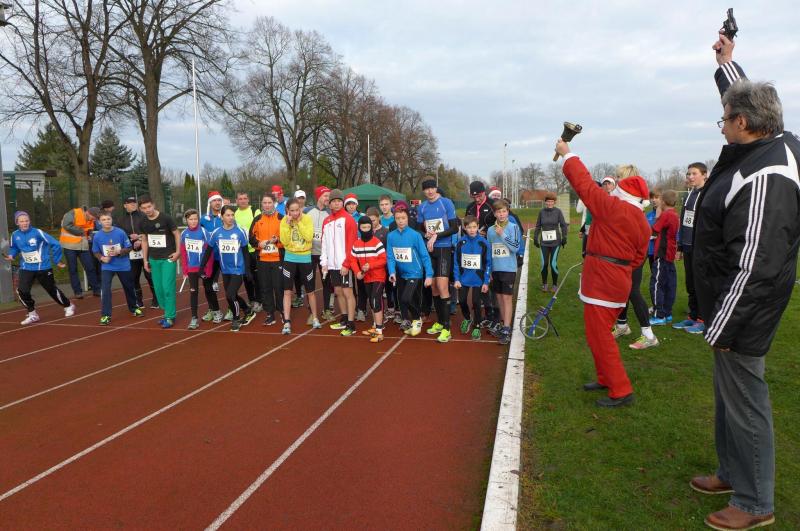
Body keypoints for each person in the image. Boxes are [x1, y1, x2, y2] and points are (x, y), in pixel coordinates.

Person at [688, 33, 799, 531]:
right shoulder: (769, 138)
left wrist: (723, 325)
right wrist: (727, 64)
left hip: (745, 307)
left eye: (725, 119)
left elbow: (756, 265)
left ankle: (755, 503)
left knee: (746, 401)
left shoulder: (767, 175)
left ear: (744, 124)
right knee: (729, 396)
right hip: (733, 301)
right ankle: (731, 473)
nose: (723, 124)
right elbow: (748, 103)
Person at [554, 139, 650, 408]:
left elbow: (584, 184)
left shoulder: (612, 208)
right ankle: (605, 378)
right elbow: (639, 258)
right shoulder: (642, 221)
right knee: (597, 333)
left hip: (603, 280)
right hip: (616, 279)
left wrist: (567, 154)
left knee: (601, 336)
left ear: (622, 192)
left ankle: (621, 389)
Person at [5, 211, 75, 325]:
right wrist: (11, 254)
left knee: (51, 289)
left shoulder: (37, 232)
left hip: (43, 267)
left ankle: (68, 305)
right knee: (22, 290)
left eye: (26, 221)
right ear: (17, 223)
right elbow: (15, 247)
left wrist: (57, 260)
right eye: (22, 221)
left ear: (29, 221)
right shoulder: (15, 235)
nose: (25, 223)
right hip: (26, 267)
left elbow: (55, 244)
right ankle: (32, 314)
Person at [200, 205, 256, 332]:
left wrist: (247, 270)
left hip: (238, 269)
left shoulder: (240, 232)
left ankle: (236, 319)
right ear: (222, 217)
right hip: (225, 270)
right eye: (228, 215)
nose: (231, 218)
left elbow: (245, 252)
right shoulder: (216, 233)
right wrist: (201, 267)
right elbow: (208, 251)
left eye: (232, 215)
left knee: (230, 295)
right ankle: (248, 310)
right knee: (232, 295)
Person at [416, 178, 459, 343]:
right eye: (426, 189)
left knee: (442, 286)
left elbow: (454, 227)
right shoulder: (422, 207)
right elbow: (419, 227)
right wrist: (426, 234)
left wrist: (436, 236)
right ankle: (440, 322)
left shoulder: (446, 203)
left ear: (436, 188)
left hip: (443, 248)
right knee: (433, 287)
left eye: (432, 188)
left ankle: (447, 329)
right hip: (430, 249)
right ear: (424, 191)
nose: (430, 191)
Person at [386, 207, 433, 337]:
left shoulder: (415, 235)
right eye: (398, 218)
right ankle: (407, 320)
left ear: (408, 219)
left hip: (415, 272)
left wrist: (429, 275)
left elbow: (424, 256)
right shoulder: (391, 236)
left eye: (403, 218)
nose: (400, 221)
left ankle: (417, 320)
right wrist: (392, 272)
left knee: (407, 298)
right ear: (394, 219)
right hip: (400, 273)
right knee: (402, 300)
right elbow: (390, 256)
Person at [672, 162, 707, 334]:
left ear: (704, 175)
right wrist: (680, 246)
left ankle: (703, 319)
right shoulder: (689, 194)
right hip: (687, 246)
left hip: (701, 247)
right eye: (688, 174)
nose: (690, 177)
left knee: (701, 284)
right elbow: (684, 221)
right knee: (690, 283)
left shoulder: (707, 194)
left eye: (694, 173)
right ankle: (692, 316)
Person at [91, 211, 143, 325]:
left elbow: (129, 247)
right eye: (103, 220)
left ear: (112, 220)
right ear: (99, 222)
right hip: (107, 266)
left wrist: (120, 252)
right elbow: (95, 251)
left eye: (108, 219)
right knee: (105, 289)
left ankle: (134, 308)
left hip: (123, 265)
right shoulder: (97, 236)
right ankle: (105, 315)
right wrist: (101, 258)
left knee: (129, 287)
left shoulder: (120, 232)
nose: (106, 221)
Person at [320, 189, 358, 336]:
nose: (336, 204)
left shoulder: (348, 219)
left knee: (348, 292)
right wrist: (324, 262)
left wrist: (346, 264)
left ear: (342, 203)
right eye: (333, 201)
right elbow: (324, 243)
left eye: (338, 201)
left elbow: (352, 244)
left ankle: (351, 324)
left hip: (344, 264)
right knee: (338, 291)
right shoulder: (327, 221)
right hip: (332, 265)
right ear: (329, 204)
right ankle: (344, 318)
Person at [279, 198, 320, 334]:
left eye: (297, 210)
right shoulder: (284, 221)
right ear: (288, 211)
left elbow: (308, 237)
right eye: (292, 211)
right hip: (289, 258)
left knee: (310, 290)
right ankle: (287, 321)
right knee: (287, 291)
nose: (295, 213)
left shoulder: (307, 219)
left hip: (305, 258)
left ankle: (315, 318)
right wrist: (288, 225)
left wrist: (299, 222)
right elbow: (284, 241)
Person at [139, 195, 181, 329]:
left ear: (154, 205)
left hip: (168, 258)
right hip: (154, 259)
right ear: (141, 209)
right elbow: (144, 241)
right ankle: (167, 312)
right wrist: (145, 260)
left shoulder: (166, 218)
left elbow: (177, 234)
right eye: (144, 208)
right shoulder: (143, 222)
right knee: (159, 290)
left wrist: (178, 252)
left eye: (149, 206)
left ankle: (170, 316)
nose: (147, 210)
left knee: (167, 288)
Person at [347, 216, 388, 342]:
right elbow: (352, 259)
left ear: (372, 228)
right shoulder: (357, 243)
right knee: (371, 300)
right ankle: (376, 326)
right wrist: (357, 272)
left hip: (378, 276)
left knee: (375, 299)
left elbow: (383, 259)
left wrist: (371, 265)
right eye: (363, 227)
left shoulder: (377, 242)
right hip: (366, 278)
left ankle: (379, 331)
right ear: (359, 228)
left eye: (368, 227)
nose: (365, 230)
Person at [486, 199, 521, 345]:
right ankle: (502, 324)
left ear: (508, 212)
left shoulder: (513, 227)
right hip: (496, 269)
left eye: (504, 211)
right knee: (499, 298)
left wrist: (502, 235)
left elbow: (516, 247)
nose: (501, 214)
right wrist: (489, 270)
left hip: (508, 269)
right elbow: (489, 250)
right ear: (494, 214)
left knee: (507, 298)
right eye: (498, 212)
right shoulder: (490, 230)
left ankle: (507, 328)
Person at [180, 209, 220, 329]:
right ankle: (194, 318)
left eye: (195, 219)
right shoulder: (184, 233)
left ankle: (215, 311)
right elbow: (183, 253)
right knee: (193, 293)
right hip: (192, 268)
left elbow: (210, 252)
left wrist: (208, 268)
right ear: (186, 220)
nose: (193, 221)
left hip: (203, 268)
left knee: (208, 289)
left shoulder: (204, 232)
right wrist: (185, 269)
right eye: (190, 219)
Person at [453, 215, 491, 340]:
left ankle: (477, 325)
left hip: (478, 279)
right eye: (469, 227)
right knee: (462, 300)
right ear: (465, 228)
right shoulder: (460, 242)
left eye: (474, 227)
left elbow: (488, 263)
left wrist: (486, 282)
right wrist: (457, 279)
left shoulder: (484, 243)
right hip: (463, 279)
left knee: (476, 302)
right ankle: (468, 318)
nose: (472, 230)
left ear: (478, 227)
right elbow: (456, 262)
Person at [117, 196, 158, 309]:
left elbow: (150, 230)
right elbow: (120, 235)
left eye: (134, 202)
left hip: (145, 250)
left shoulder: (144, 216)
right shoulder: (120, 220)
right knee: (134, 277)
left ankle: (156, 299)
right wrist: (130, 239)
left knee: (149, 276)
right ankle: (138, 300)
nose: (133, 204)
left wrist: (140, 239)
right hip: (130, 252)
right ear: (125, 205)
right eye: (130, 203)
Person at [249, 194, 284, 326]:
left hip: (278, 259)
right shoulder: (257, 219)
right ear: (261, 204)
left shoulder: (281, 218)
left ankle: (282, 311)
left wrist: (278, 241)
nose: (267, 205)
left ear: (274, 203)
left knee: (279, 287)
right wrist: (259, 244)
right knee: (265, 287)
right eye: (265, 203)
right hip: (262, 260)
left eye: (269, 202)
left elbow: (287, 237)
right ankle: (270, 313)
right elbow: (251, 237)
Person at [649, 189, 679, 325]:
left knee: (656, 285)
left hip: (662, 254)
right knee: (669, 284)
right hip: (669, 254)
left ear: (663, 201)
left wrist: (657, 215)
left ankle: (659, 315)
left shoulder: (666, 215)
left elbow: (654, 229)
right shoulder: (675, 214)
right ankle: (667, 313)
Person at [59, 205, 100, 298]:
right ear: (88, 213)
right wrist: (82, 231)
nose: (94, 219)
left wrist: (90, 235)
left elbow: (90, 229)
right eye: (93, 217)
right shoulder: (73, 213)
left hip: (83, 245)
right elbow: (66, 225)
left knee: (90, 267)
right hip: (69, 245)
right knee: (73, 269)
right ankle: (77, 291)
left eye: (95, 218)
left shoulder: (91, 219)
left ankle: (96, 289)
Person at [306, 186, 334, 320]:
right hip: (309, 254)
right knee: (309, 283)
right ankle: (312, 313)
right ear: (319, 197)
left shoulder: (331, 213)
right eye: (325, 196)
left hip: (324, 255)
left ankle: (327, 310)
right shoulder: (307, 212)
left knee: (326, 283)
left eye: (329, 196)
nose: (328, 198)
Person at [533, 192, 568, 292]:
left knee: (553, 264)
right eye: (548, 201)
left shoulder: (558, 212)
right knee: (544, 264)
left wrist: (564, 236)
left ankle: (555, 284)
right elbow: (538, 226)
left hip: (555, 242)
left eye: (551, 201)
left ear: (554, 202)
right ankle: (544, 284)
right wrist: (535, 237)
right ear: (545, 202)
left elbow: (563, 225)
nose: (549, 203)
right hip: (544, 242)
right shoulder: (541, 212)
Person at [233, 191, 261, 312]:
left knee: (257, 277)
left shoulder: (255, 211)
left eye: (245, 198)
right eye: (240, 199)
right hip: (241, 251)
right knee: (246, 277)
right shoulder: (234, 214)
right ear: (236, 201)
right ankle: (252, 299)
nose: (243, 201)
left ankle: (259, 300)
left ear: (248, 200)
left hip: (254, 250)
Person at [201, 190, 224, 294]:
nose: (217, 202)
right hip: (209, 257)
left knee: (230, 287)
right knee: (208, 286)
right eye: (214, 200)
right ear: (210, 203)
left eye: (219, 200)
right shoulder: (203, 219)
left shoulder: (226, 217)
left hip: (224, 257)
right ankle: (214, 306)